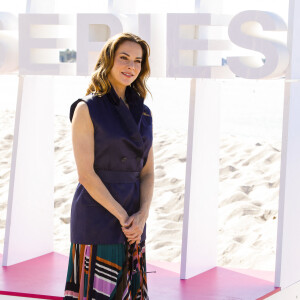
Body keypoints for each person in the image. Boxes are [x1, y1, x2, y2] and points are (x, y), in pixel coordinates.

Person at [63, 32, 154, 300]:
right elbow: (86, 175)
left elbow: (147, 172)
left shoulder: (145, 113)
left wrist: (142, 215)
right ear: (108, 60)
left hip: (134, 219)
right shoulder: (87, 108)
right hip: (97, 215)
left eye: (137, 61)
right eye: (124, 58)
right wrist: (124, 217)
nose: (131, 66)